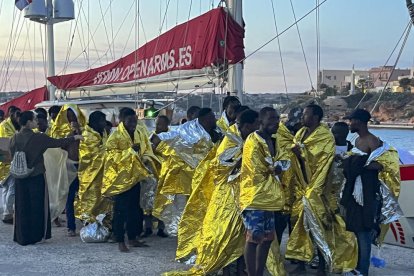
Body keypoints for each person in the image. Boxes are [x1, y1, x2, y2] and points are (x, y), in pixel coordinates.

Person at [190, 109, 260, 275]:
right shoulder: (230, 139)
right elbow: (219, 166)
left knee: (243, 233)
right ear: (248, 126)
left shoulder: (253, 139)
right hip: (227, 194)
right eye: (256, 124)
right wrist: (241, 161)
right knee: (225, 232)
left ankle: (241, 268)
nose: (259, 127)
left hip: (246, 192)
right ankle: (226, 269)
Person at [341, 109, 401, 276]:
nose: (349, 124)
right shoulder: (357, 139)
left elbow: (381, 164)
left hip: (366, 194)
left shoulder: (372, 141)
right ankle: (357, 267)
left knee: (364, 232)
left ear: (359, 122)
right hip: (355, 192)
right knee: (355, 229)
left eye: (351, 121)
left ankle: (363, 271)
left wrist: (358, 163)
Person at [9, 111, 82, 245]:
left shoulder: (15, 137)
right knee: (37, 206)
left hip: (19, 177)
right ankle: (37, 235)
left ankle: (22, 236)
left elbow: (12, 154)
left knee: (22, 206)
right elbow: (58, 142)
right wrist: (75, 137)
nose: (37, 121)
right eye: (35, 119)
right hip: (36, 175)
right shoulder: (38, 138)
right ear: (29, 122)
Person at [286, 104, 335, 276]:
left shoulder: (325, 137)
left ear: (315, 117)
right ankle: (299, 261)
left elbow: (323, 164)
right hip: (299, 188)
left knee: (319, 227)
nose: (302, 117)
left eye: (305, 115)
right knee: (297, 226)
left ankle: (322, 266)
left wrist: (301, 154)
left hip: (316, 190)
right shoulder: (300, 133)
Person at [102, 107, 158, 252]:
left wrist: (146, 159)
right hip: (121, 180)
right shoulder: (115, 137)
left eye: (135, 120)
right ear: (122, 120)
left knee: (135, 209)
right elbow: (111, 157)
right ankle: (120, 240)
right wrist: (130, 151)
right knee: (120, 210)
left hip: (136, 178)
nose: (133, 123)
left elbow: (146, 150)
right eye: (130, 121)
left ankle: (133, 238)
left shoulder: (139, 132)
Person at [239, 107, 285, 276]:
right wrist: (275, 169)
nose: (276, 122)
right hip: (255, 197)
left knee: (268, 238)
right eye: (271, 119)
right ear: (261, 121)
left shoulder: (273, 140)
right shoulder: (253, 139)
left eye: (277, 119)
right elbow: (255, 168)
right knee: (254, 238)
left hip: (269, 199)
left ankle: (258, 273)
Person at [50, 104, 86, 237]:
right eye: (68, 115)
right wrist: (71, 135)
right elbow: (57, 148)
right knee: (69, 197)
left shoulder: (86, 129)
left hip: (84, 166)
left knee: (84, 196)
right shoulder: (59, 130)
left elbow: (89, 145)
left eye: (73, 115)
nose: (71, 118)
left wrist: (80, 132)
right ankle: (71, 226)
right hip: (68, 167)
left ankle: (88, 223)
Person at [76, 111, 110, 223]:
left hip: (103, 175)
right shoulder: (87, 136)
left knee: (103, 201)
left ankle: (102, 224)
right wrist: (112, 154)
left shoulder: (103, 133)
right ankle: (90, 226)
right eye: (102, 121)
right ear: (95, 122)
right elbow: (91, 157)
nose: (104, 123)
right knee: (91, 200)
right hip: (91, 176)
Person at [142, 115, 169, 238]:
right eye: (157, 124)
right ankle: (147, 227)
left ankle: (161, 228)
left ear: (166, 125)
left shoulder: (169, 138)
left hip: (164, 174)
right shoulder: (151, 137)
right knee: (148, 201)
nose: (158, 126)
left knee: (162, 202)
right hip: (152, 175)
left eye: (160, 124)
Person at [0, 106, 21, 224]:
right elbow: (10, 141)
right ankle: (8, 214)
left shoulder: (7, 125)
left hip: (5, 160)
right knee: (12, 188)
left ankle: (6, 212)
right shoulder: (5, 125)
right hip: (8, 161)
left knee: (6, 188)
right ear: (12, 115)